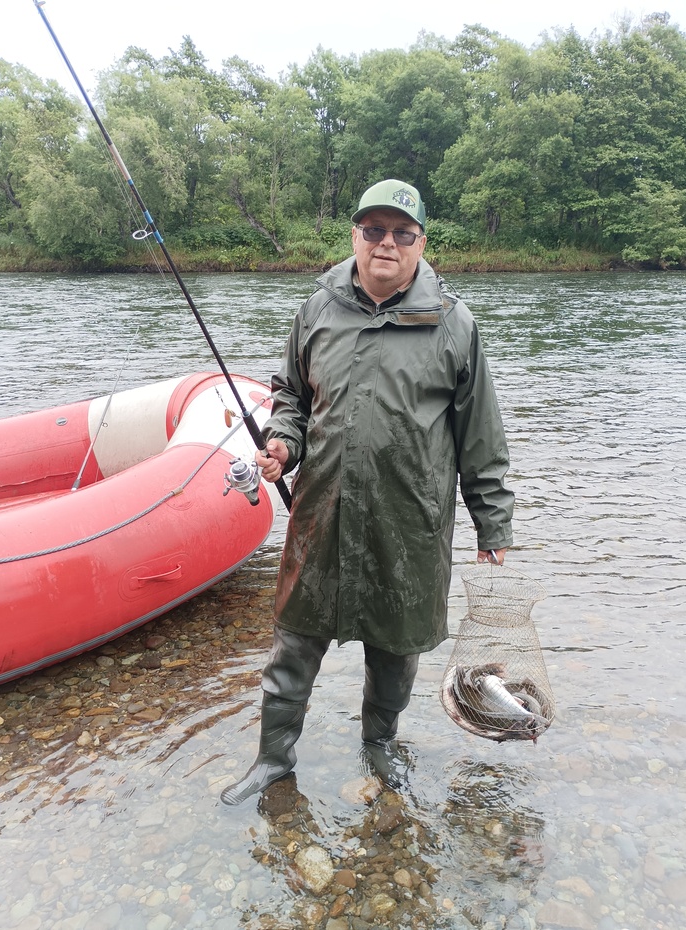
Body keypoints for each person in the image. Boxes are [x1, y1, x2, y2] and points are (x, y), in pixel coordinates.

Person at [220, 179, 514, 805]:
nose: (387, 243)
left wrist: (492, 524)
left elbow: (480, 436)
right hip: (322, 514)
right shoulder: (316, 310)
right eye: (374, 230)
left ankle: (380, 745)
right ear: (355, 235)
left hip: (410, 523)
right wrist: (282, 444)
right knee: (294, 645)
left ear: (421, 243)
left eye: (402, 233)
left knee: (396, 651)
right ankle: (273, 761)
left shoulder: (455, 324)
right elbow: (291, 397)